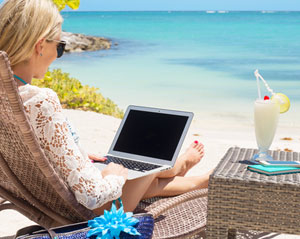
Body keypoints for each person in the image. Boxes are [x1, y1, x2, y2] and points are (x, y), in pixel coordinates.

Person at [0, 0, 211, 214]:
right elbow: (93, 195)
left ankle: (193, 178)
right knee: (146, 165)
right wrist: (113, 176)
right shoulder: (40, 100)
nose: (58, 55)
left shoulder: (9, 98)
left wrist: (74, 155)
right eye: (60, 47)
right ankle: (178, 168)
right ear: (40, 46)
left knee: (138, 167)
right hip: (96, 211)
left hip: (45, 201)